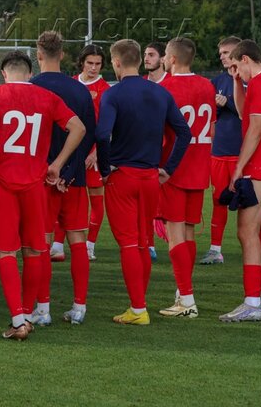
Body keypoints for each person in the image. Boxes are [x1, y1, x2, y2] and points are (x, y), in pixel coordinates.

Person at [0, 51, 86, 340]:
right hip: (34, 183)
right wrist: (57, 164)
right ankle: (28, 314)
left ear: (4, 73)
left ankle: (18, 318)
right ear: (30, 74)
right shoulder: (46, 97)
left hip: (2, 183)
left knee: (7, 251)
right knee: (34, 250)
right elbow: (78, 128)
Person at [97, 39, 191, 326]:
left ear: (116, 62)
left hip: (123, 176)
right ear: (139, 61)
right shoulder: (160, 92)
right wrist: (168, 168)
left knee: (128, 244)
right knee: (143, 242)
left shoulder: (113, 94)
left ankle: (138, 308)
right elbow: (184, 133)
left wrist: (104, 169)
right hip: (150, 177)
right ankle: (139, 304)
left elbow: (102, 134)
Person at [30, 31, 100, 326]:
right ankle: (79, 307)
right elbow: (89, 135)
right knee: (77, 240)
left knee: (42, 243)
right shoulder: (80, 91)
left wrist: (53, 170)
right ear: (62, 55)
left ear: (38, 55)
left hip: (41, 177)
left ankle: (43, 309)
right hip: (74, 178)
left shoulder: (32, 86)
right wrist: (70, 172)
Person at [219, 39, 261, 322]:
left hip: (258, 166)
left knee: (246, 232)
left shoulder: (260, 83)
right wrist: (237, 82)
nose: (236, 72)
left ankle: (251, 303)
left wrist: (239, 167)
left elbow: (255, 129)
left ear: (245, 59)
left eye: (237, 66)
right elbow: (244, 113)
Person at [155, 37, 216, 318]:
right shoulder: (207, 86)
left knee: (175, 234)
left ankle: (187, 300)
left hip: (173, 169)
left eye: (165, 56)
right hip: (199, 166)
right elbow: (211, 128)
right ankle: (184, 292)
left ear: (172, 59)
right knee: (188, 233)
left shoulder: (165, 88)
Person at [203, 36, 243, 265]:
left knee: (246, 203)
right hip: (219, 152)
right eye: (221, 54)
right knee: (219, 200)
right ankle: (215, 249)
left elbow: (248, 112)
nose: (222, 57)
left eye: (226, 52)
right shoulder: (216, 81)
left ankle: (250, 247)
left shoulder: (250, 80)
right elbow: (211, 117)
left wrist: (226, 102)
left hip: (243, 154)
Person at [75, 44, 109, 261]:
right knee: (68, 198)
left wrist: (96, 153)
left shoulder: (105, 89)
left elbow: (106, 125)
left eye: (98, 64)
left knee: (96, 200)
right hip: (72, 153)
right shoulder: (71, 84)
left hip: (94, 154)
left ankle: (89, 245)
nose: (94, 68)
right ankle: (57, 244)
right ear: (82, 63)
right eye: (90, 63)